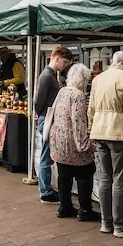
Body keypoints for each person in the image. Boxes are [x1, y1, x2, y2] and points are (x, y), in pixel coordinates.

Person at [88, 51, 123, 238]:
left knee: (105, 178)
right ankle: (120, 224)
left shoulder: (98, 79)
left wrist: (91, 130)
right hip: (118, 134)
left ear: (112, 61)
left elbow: (91, 109)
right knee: (119, 178)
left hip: (99, 131)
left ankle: (106, 222)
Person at [48, 63, 98, 221]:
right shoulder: (78, 95)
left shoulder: (62, 91)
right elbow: (79, 123)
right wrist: (85, 145)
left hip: (59, 142)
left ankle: (64, 207)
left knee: (64, 176)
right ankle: (84, 210)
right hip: (73, 144)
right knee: (84, 175)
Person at [34, 46, 74, 204]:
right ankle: (45, 192)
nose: (64, 65)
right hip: (47, 118)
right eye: (64, 62)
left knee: (46, 155)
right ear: (56, 58)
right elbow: (38, 100)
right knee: (46, 155)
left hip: (46, 117)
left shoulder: (50, 75)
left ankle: (46, 190)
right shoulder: (47, 76)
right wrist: (41, 114)